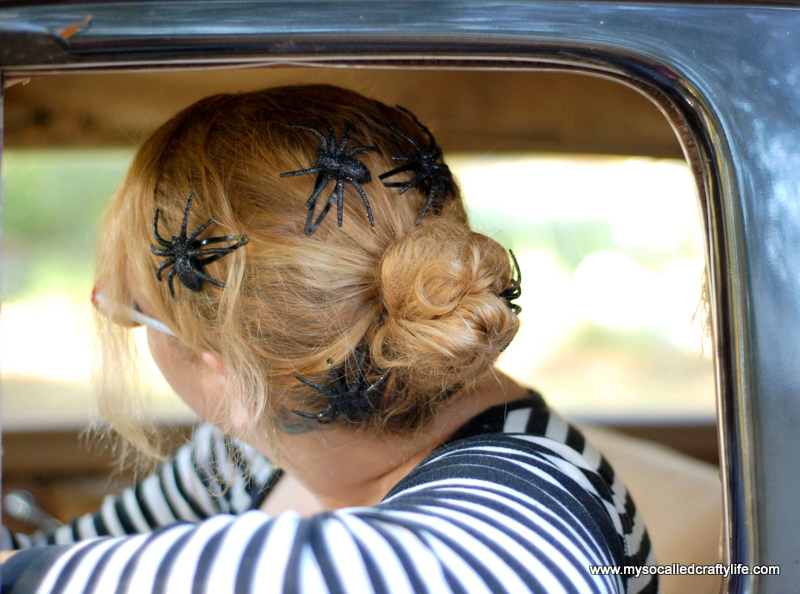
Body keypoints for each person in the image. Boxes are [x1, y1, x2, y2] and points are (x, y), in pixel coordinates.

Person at [1, 85, 657, 593]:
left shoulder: (533, 497)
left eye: (131, 313)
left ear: (223, 378)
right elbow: (73, 555)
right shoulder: (242, 454)